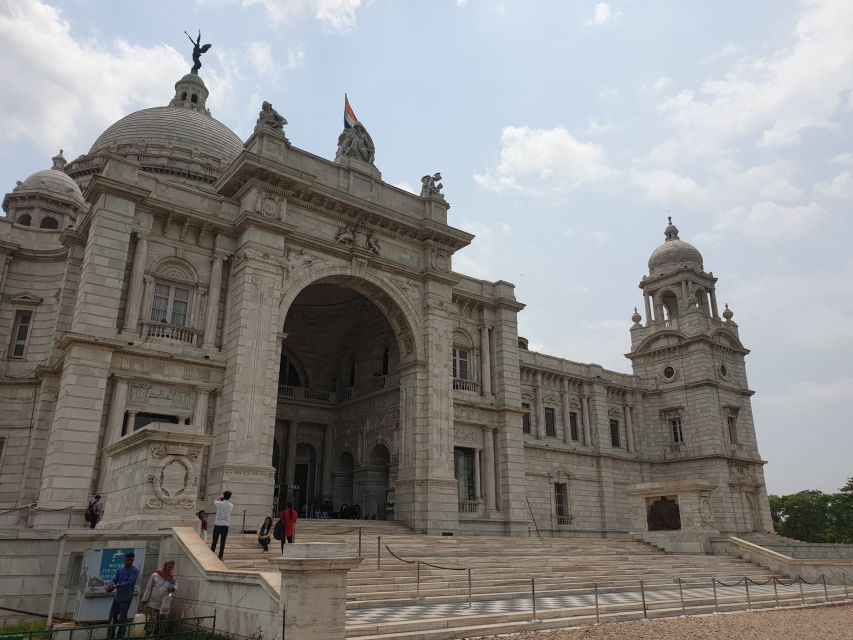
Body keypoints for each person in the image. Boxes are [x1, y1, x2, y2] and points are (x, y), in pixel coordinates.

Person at [105, 552, 140, 640]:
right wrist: (111, 585)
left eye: (131, 560)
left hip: (126, 598)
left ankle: (120, 636)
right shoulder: (120, 568)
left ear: (133, 560)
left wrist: (116, 586)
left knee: (122, 618)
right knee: (112, 617)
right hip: (117, 597)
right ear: (124, 560)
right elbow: (114, 579)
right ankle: (110, 636)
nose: (129, 562)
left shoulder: (135, 570)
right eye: (127, 560)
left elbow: (130, 582)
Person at [140, 560, 176, 637]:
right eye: (169, 567)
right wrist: (143, 603)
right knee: (151, 624)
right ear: (165, 566)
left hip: (163, 605)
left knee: (160, 626)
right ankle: (147, 637)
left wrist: (172, 589)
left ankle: (156, 637)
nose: (170, 569)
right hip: (152, 604)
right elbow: (148, 588)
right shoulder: (155, 575)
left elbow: (175, 588)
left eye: (172, 568)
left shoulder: (172, 578)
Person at [210, 491, 233, 560]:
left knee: (214, 540)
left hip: (217, 524)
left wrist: (219, 498)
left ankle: (211, 553)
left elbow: (215, 501)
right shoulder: (231, 505)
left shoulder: (219, 503)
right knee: (223, 541)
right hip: (225, 525)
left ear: (223, 496)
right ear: (230, 497)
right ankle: (220, 556)